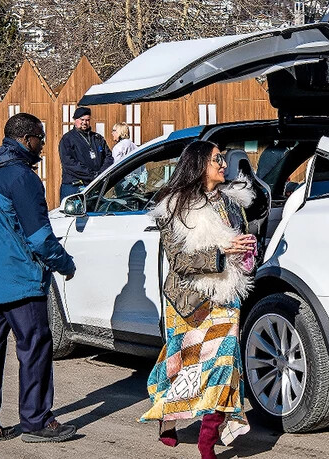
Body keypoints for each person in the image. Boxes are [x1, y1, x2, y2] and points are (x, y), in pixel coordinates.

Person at [0, 113, 77, 447]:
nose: (43, 145)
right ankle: (36, 421)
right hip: (21, 280)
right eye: (41, 138)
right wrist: (64, 263)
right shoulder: (22, 178)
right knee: (35, 349)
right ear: (27, 138)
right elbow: (40, 237)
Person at [142, 140, 255, 458]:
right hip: (190, 301)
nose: (223, 163)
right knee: (182, 368)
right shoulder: (174, 206)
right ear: (199, 164)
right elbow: (179, 261)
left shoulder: (231, 203)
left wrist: (246, 249)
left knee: (223, 366)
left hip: (226, 295)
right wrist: (221, 253)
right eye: (217, 158)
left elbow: (241, 243)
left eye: (223, 158)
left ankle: (209, 437)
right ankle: (168, 417)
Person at [58, 106, 113, 200]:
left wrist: (101, 173)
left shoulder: (97, 138)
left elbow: (108, 157)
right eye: (81, 119)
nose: (84, 123)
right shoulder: (67, 139)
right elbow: (69, 163)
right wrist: (91, 175)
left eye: (87, 120)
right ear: (75, 120)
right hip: (75, 185)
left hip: (95, 184)